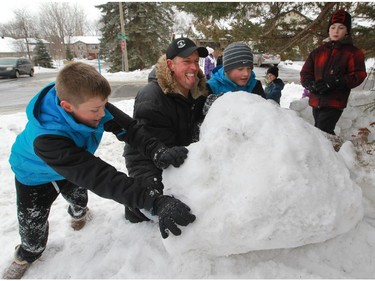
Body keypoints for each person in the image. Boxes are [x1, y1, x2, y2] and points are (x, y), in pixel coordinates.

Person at [4, 62, 195, 279]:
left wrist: (158, 151)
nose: (103, 114)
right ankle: (26, 255)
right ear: (67, 107)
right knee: (33, 232)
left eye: (104, 105)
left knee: (78, 200)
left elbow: (130, 129)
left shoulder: (88, 101)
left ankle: (78, 212)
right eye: (96, 110)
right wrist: (154, 201)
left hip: (74, 164)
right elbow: (100, 177)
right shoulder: (46, 139)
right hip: (35, 176)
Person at [123, 37, 208, 223]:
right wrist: (153, 198)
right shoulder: (152, 98)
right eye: (186, 62)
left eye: (196, 62)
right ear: (170, 65)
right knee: (167, 205)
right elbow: (146, 152)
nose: (194, 68)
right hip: (149, 163)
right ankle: (134, 208)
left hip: (178, 155)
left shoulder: (200, 91)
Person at [300, 9, 367, 135]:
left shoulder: (352, 53)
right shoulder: (318, 52)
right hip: (316, 100)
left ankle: (326, 154)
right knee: (322, 131)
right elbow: (305, 73)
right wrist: (310, 84)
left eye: (341, 27)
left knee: (321, 132)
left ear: (347, 31)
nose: (336, 31)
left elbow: (359, 75)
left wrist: (335, 82)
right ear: (328, 30)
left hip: (334, 101)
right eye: (333, 27)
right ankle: (333, 151)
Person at [203, 41, 265, 115]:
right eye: (240, 69)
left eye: (249, 68)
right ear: (228, 70)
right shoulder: (211, 87)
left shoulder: (255, 86)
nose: (246, 74)